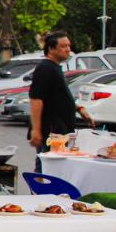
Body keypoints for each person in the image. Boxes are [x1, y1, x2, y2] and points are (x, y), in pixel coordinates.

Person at [28, 31, 93, 165]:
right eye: (63, 46)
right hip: (50, 132)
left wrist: (79, 109)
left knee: (55, 167)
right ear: (51, 49)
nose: (68, 49)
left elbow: (60, 95)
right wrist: (36, 130)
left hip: (61, 131)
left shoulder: (55, 68)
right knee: (46, 167)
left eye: (69, 45)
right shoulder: (45, 69)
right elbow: (36, 100)